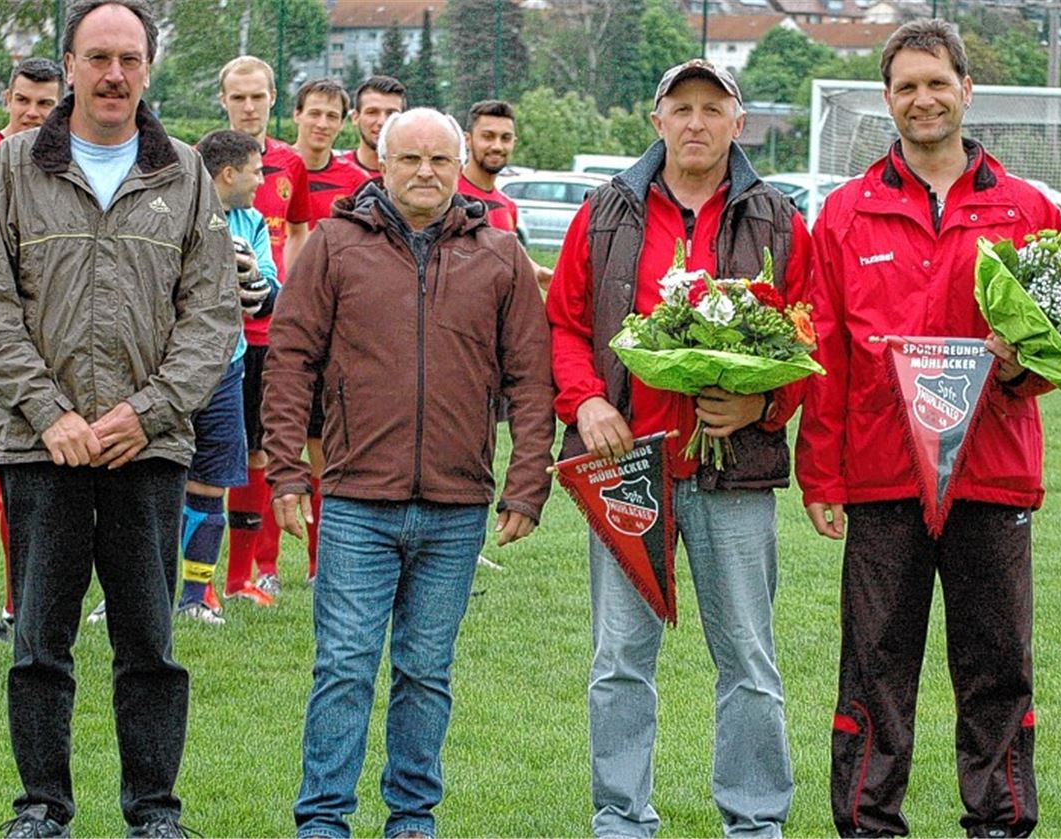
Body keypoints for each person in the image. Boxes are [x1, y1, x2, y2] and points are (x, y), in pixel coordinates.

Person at [794, 19, 1061, 839]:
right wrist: (821, 477)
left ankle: (1000, 825)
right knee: (875, 674)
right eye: (906, 86)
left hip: (991, 475)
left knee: (996, 671)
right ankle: (870, 826)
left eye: (936, 82)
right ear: (887, 100)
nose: (923, 98)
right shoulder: (843, 214)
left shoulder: (1027, 210)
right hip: (882, 482)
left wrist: (1018, 367)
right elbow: (825, 360)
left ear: (966, 90)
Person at [0, 1, 239, 835]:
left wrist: (148, 410)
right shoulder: (12, 167)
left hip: (147, 451)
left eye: (129, 58)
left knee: (150, 647)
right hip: (38, 446)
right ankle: (41, 806)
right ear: (71, 64)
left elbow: (212, 314)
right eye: (98, 58)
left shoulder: (187, 173)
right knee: (39, 645)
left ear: (148, 69)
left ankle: (154, 810)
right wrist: (49, 413)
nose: (114, 73)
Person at [263, 107, 555, 839]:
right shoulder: (332, 245)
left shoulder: (500, 255)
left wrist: (526, 482)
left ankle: (412, 818)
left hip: (457, 506)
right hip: (358, 499)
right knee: (344, 667)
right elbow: (290, 361)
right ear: (381, 164)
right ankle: (323, 818)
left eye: (440, 161)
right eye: (410, 159)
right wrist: (289, 472)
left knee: (426, 672)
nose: (425, 172)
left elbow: (530, 379)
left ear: (460, 169)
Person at [546, 59, 812, 838]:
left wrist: (764, 401)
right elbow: (563, 324)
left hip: (736, 478)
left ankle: (756, 819)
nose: (696, 122)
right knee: (620, 660)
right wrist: (587, 398)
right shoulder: (604, 212)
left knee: (751, 664)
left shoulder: (779, 218)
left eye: (713, 107)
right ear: (655, 121)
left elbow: (808, 331)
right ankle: (622, 817)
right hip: (627, 471)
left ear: (740, 121)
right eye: (681, 108)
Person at [173, 128, 279, 625]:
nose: (262, 180)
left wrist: (252, 278)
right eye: (257, 171)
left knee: (211, 482)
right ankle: (129, 594)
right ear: (229, 173)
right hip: (168, 368)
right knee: (149, 483)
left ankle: (196, 595)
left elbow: (269, 290)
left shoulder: (252, 220)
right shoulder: (171, 209)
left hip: (227, 365)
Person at [0, 56, 64, 644]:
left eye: (45, 104)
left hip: (50, 339)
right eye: (23, 100)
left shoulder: (71, 157)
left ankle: (22, 605)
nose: (32, 114)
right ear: (7, 98)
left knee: (32, 466)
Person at [219, 54, 311, 604]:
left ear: (273, 98)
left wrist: (284, 290)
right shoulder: (201, 161)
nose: (248, 106)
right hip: (213, 338)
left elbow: (297, 230)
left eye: (258, 97)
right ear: (224, 100)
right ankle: (186, 579)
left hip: (267, 332)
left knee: (259, 453)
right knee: (195, 458)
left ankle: (243, 577)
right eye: (238, 97)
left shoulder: (290, 164)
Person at [281, 77, 369, 583]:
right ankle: (256, 570)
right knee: (263, 448)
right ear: (296, 115)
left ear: (343, 123)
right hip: (265, 323)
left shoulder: (354, 181)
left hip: (330, 328)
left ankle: (321, 565)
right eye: (314, 113)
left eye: (332, 116)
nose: (321, 124)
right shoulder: (271, 167)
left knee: (323, 445)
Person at [459, 99, 553, 291]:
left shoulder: (507, 206)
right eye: (488, 136)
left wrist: (539, 273)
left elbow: (511, 256)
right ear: (467, 139)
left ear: (514, 143)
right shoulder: (446, 194)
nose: (497, 146)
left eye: (505, 138)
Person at [343, 74, 405, 178]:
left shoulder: (416, 174)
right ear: (355, 118)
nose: (382, 121)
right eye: (372, 112)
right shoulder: (333, 173)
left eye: (391, 113)